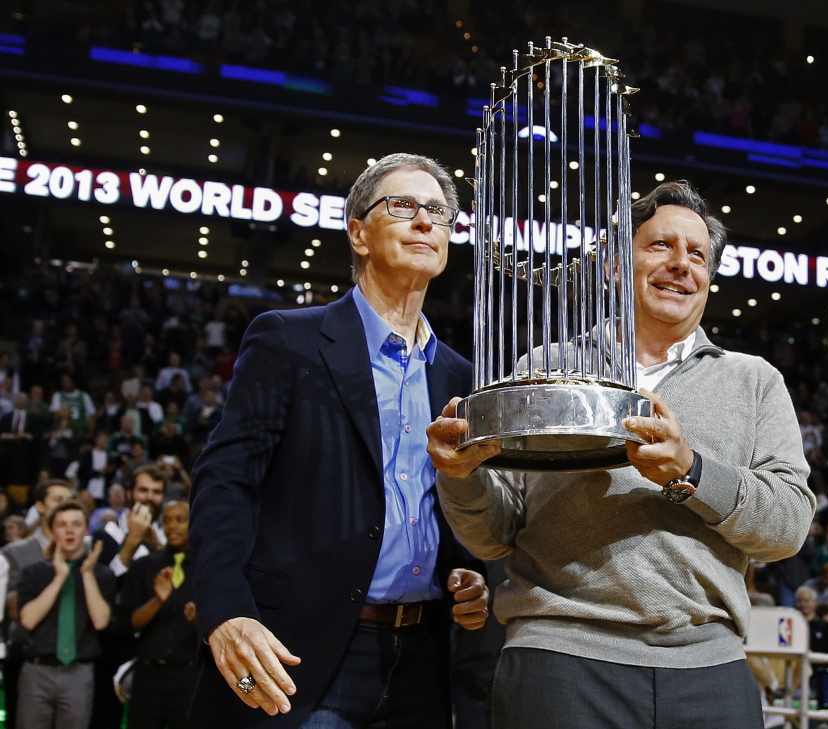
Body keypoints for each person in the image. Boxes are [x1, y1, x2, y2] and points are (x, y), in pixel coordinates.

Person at [428, 181, 815, 729]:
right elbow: (494, 533)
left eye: (697, 254)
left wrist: (692, 472)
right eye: (660, 247)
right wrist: (461, 476)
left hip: (710, 667)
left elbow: (788, 526)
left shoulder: (753, 381)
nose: (681, 264)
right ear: (613, 266)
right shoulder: (548, 366)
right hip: (560, 658)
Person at [189, 153, 489, 729]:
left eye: (439, 212)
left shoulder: (459, 376)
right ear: (357, 232)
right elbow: (225, 482)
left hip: (422, 658)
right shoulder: (288, 341)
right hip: (301, 648)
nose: (426, 221)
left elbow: (447, 503)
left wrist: (463, 569)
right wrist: (225, 612)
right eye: (403, 206)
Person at [15, 500, 116, 729]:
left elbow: (101, 621)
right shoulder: (33, 572)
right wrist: (59, 577)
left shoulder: (102, 574)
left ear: (86, 530)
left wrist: (87, 574)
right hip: (37, 671)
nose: (69, 530)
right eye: (62, 524)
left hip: (79, 672)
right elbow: (28, 619)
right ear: (52, 530)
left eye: (76, 524)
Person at [119, 500, 201, 729]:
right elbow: (128, 624)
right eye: (166, 521)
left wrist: (200, 621)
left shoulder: (206, 567)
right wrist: (158, 600)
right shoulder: (145, 566)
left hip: (191, 675)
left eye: (180, 520)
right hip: (149, 675)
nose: (172, 527)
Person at [1, 479, 73, 729]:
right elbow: (13, 610)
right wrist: (45, 569)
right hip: (25, 654)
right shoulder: (14, 552)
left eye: (69, 500)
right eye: (58, 500)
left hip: (74, 660)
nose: (65, 506)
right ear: (40, 506)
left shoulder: (84, 552)